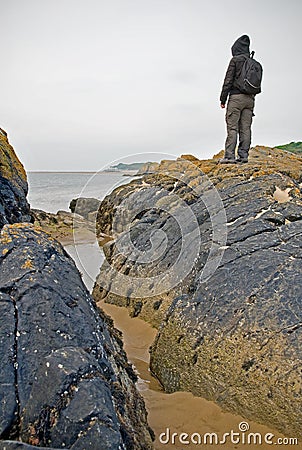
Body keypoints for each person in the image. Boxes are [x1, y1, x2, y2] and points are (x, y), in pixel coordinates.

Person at [219, 35, 255, 164]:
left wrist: (222, 99)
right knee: (246, 128)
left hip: (236, 98)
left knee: (232, 127)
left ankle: (229, 156)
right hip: (250, 99)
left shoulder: (235, 60)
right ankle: (243, 156)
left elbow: (228, 81)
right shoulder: (252, 62)